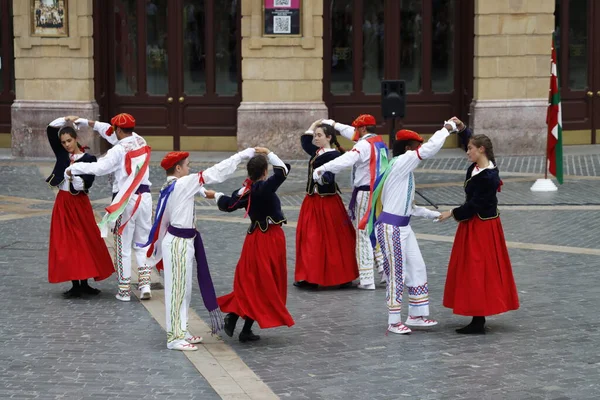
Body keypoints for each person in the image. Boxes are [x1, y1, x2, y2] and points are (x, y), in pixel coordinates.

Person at [140, 149, 256, 351]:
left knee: (183, 289)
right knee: (177, 290)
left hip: (182, 241)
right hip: (178, 243)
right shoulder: (183, 183)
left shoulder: (172, 185)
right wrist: (243, 155)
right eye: (187, 165)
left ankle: (181, 330)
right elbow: (217, 172)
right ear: (178, 168)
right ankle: (174, 337)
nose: (190, 168)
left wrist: (202, 190)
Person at [368, 119, 459, 334]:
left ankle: (416, 315)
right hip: (392, 228)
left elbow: (410, 207)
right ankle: (393, 320)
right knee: (397, 274)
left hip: (403, 228)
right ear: (409, 148)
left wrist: (434, 215)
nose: (419, 149)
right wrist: (446, 129)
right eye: (416, 145)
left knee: (417, 267)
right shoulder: (402, 162)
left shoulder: (403, 171)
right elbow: (428, 150)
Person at [438, 130, 520, 334]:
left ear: (481, 150)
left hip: (482, 227)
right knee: (471, 268)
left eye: (470, 149)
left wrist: (451, 213)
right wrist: (462, 127)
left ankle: (478, 319)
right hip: (473, 224)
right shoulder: (477, 167)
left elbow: (475, 204)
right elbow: (476, 138)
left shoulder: (489, 177)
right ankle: (477, 315)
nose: (467, 152)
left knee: (478, 269)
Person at [66, 113, 153, 302]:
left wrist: (75, 168)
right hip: (145, 198)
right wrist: (90, 123)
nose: (112, 132)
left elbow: (99, 168)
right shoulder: (140, 140)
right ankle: (145, 285)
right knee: (142, 244)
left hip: (125, 201)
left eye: (116, 129)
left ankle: (124, 291)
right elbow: (109, 131)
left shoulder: (117, 151)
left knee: (123, 247)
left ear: (120, 130)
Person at [215, 147, 295, 342]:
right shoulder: (264, 188)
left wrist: (216, 195)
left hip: (253, 239)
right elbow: (283, 170)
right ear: (265, 172)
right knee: (264, 283)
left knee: (253, 281)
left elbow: (228, 205)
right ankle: (237, 320)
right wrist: (269, 152)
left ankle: (240, 323)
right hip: (270, 239)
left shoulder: (246, 190)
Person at [313, 115, 388, 290]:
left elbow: (347, 160)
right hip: (378, 192)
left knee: (362, 234)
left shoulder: (363, 145)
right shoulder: (378, 141)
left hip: (365, 192)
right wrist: (334, 123)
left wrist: (323, 168)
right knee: (374, 231)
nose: (353, 132)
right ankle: (385, 270)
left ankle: (367, 278)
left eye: (356, 128)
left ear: (362, 129)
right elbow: (350, 133)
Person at [45, 117, 114, 298]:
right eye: (64, 142)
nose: (67, 145)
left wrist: (73, 175)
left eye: (69, 140)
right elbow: (51, 129)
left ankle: (85, 283)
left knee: (85, 239)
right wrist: (67, 119)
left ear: (76, 139)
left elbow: (87, 183)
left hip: (79, 203)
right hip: (63, 202)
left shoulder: (88, 158)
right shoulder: (61, 154)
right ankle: (75, 283)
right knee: (67, 242)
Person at [294, 119, 358, 289]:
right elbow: (305, 141)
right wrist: (314, 124)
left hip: (326, 203)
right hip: (312, 202)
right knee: (310, 239)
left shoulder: (334, 156)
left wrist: (322, 177)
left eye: (319, 135)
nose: (315, 138)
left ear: (329, 137)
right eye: (315, 135)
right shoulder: (318, 151)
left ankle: (338, 276)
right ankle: (309, 276)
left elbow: (328, 176)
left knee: (330, 239)